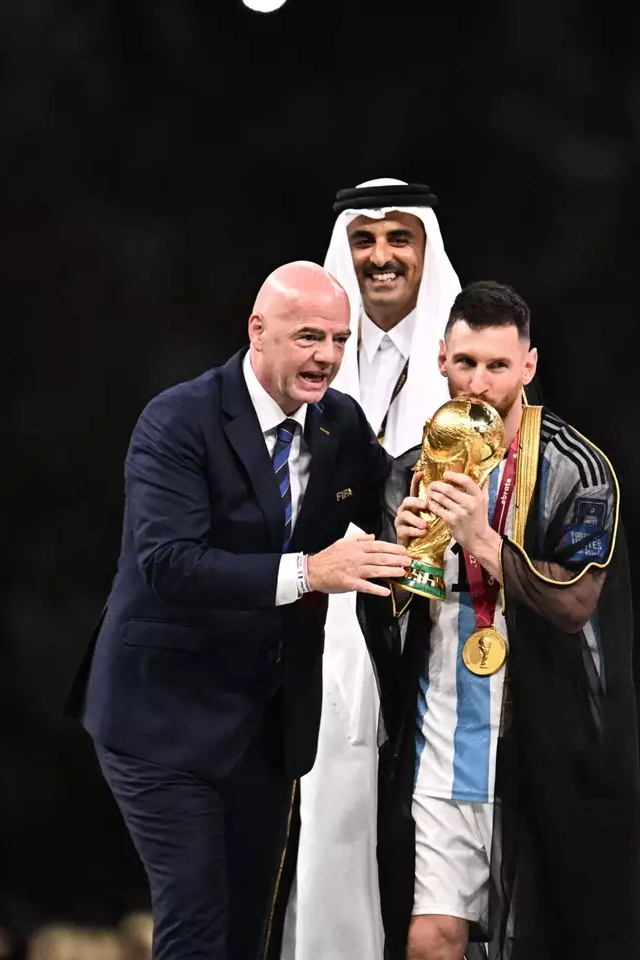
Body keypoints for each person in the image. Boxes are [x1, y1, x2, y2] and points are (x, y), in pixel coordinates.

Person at [62, 262, 410, 960]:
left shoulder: (340, 424)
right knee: (198, 929)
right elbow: (169, 565)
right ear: (257, 331)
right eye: (309, 337)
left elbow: (389, 498)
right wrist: (312, 572)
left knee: (248, 934)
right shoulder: (176, 420)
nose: (328, 357)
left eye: (340, 340)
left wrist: (431, 498)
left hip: (265, 722)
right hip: (162, 719)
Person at [365, 281, 640, 959]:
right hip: (442, 744)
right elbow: (392, 619)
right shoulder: (407, 474)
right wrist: (405, 559)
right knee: (430, 941)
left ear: (528, 367)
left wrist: (482, 540)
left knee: (550, 943)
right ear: (441, 358)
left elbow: (574, 605)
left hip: (547, 746)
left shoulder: (579, 470)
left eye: (498, 366)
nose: (478, 382)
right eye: (466, 362)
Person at [282, 178, 468, 960]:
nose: (382, 257)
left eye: (401, 239)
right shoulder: (310, 370)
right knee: (332, 831)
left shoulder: (469, 370)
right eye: (365, 240)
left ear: (427, 250)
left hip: (447, 647)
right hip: (331, 646)